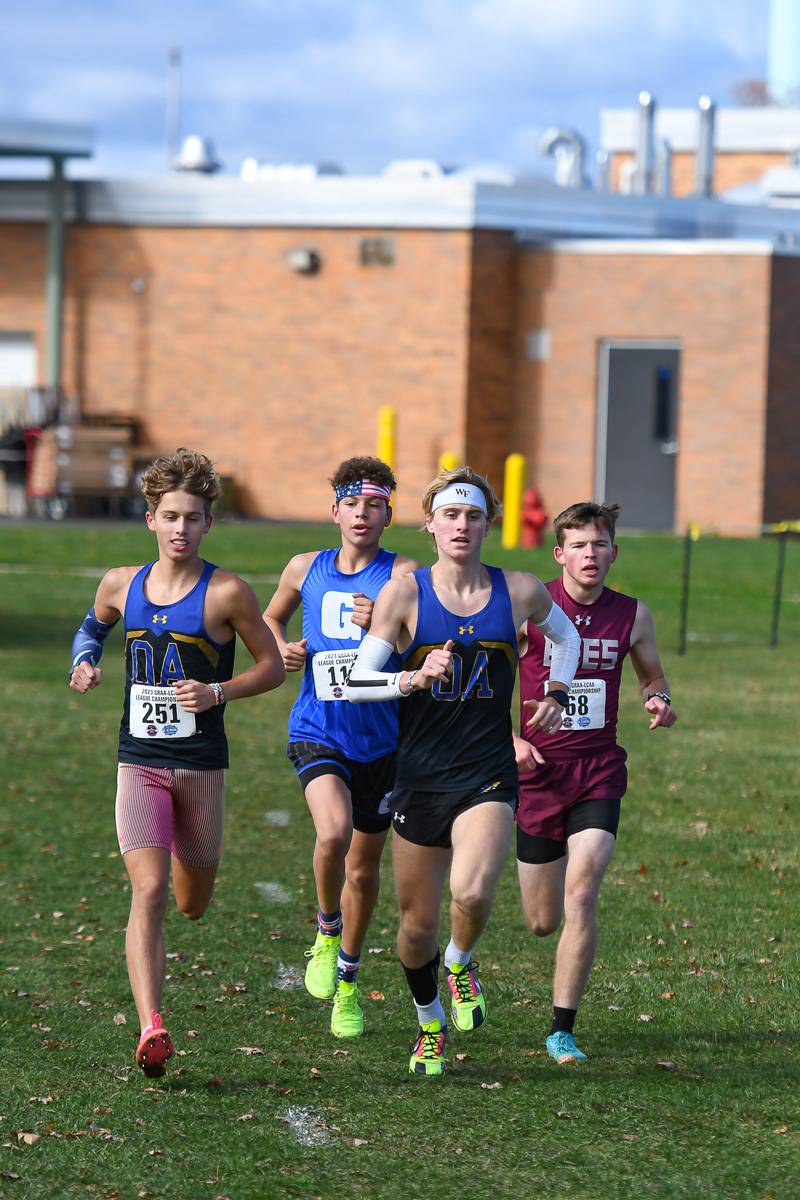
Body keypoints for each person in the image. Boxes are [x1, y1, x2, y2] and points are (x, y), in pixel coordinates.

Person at [345, 466, 580, 1075]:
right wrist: (411, 677)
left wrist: (555, 689)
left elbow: (567, 636)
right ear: (430, 524)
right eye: (450, 514)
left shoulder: (521, 589)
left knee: (471, 891)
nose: (461, 525)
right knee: (415, 927)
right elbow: (358, 681)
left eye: (473, 515)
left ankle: (461, 958)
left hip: (488, 773)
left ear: (488, 524)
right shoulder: (405, 594)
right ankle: (428, 1025)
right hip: (420, 775)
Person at [69, 448, 284, 1077]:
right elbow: (91, 628)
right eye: (170, 516)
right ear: (150, 520)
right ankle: (152, 1026)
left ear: (208, 524)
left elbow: (270, 667)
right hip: (139, 762)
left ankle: (159, 1000)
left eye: (193, 517)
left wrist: (218, 692)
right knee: (151, 889)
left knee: (192, 901)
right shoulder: (121, 583)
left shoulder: (227, 592)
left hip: (201, 766)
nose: (181, 529)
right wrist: (83, 663)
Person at [514, 501, 677, 1065]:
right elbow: (486, 676)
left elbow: (651, 672)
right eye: (579, 545)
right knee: (541, 921)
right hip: (535, 772)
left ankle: (562, 1030)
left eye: (600, 544)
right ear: (559, 554)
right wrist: (510, 741)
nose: (590, 554)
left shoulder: (632, 615)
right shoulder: (530, 608)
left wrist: (658, 696)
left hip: (598, 769)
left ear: (613, 552)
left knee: (583, 889)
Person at [263, 456, 417, 1037]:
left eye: (373, 505)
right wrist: (280, 646)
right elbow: (267, 619)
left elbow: (420, 644)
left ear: (388, 515)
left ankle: (348, 980)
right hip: (318, 728)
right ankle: (326, 931)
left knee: (363, 867)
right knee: (333, 833)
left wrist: (387, 622)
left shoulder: (403, 573)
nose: (362, 513)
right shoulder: (306, 567)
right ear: (335, 511)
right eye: (351, 503)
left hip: (382, 741)